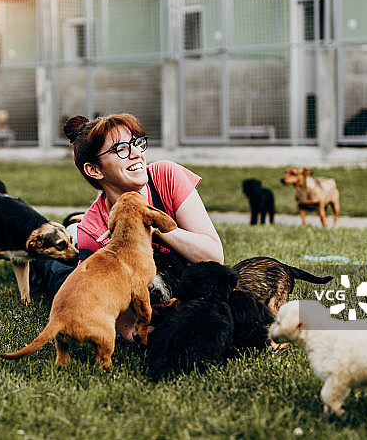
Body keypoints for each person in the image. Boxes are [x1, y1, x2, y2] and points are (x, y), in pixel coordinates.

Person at [31, 112, 224, 340]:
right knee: (61, 275)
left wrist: (152, 228)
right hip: (86, 266)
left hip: (174, 283)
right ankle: (44, 258)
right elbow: (123, 324)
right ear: (95, 169)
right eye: (121, 149)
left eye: (137, 143)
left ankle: (72, 224)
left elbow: (214, 257)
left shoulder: (166, 176)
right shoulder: (94, 230)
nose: (137, 154)